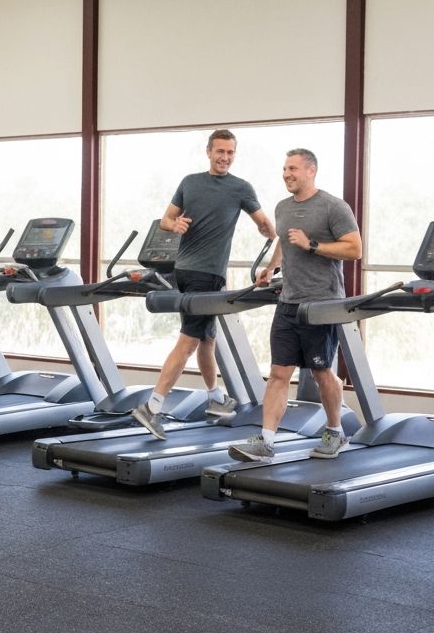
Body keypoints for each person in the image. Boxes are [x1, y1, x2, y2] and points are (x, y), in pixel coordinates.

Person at [131, 129, 276, 439]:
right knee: (188, 341)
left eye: (230, 153)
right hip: (200, 274)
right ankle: (152, 408)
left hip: (195, 273)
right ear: (208, 152)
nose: (225, 157)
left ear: (234, 155)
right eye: (220, 151)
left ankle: (214, 399)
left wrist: (267, 229)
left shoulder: (241, 188)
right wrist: (175, 224)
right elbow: (166, 220)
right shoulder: (190, 182)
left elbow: (264, 224)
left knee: (206, 339)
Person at [228, 148, 361, 462]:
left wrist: (312, 245)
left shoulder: (333, 206)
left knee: (322, 372)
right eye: (284, 169)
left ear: (310, 170)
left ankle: (335, 431)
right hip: (287, 303)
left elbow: (354, 249)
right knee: (277, 374)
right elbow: (284, 242)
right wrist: (272, 268)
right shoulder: (282, 207)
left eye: (293, 169)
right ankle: (266, 441)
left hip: (321, 304)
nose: (286, 174)